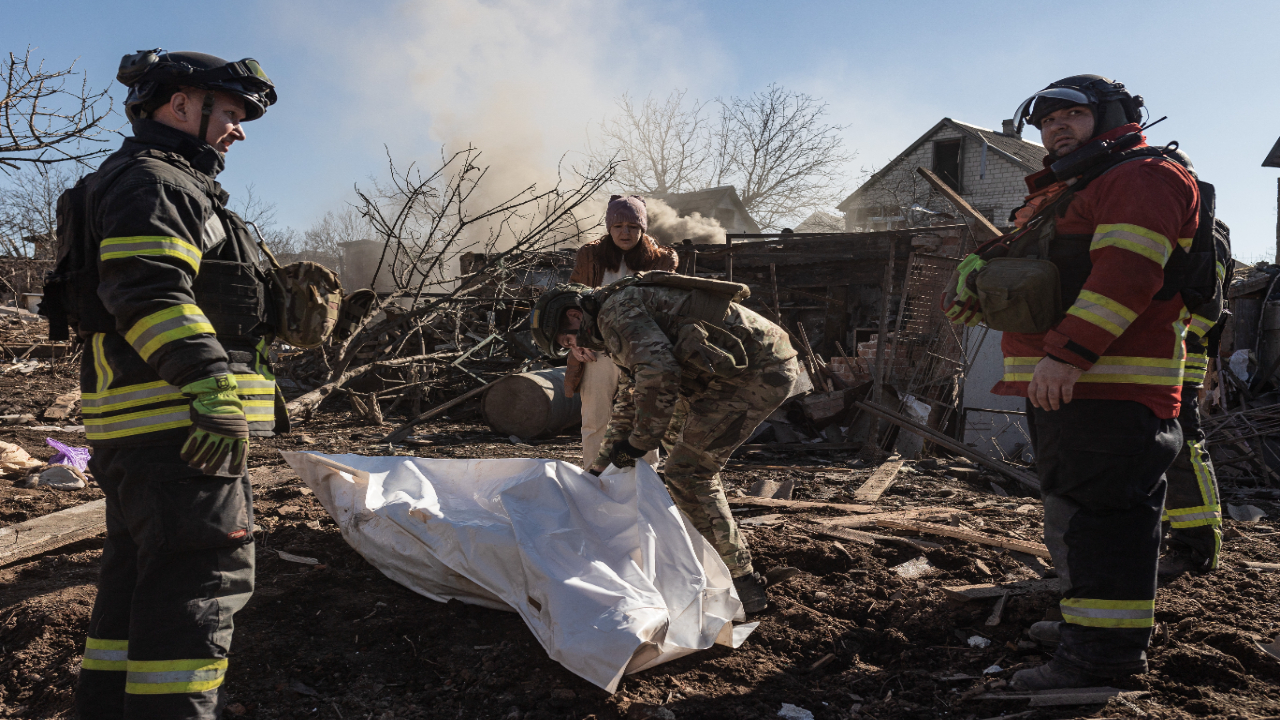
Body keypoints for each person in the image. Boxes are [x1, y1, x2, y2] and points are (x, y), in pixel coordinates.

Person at [948, 75, 1199, 690]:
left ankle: (1100, 662)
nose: (1055, 127)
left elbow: (1128, 273)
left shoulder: (1138, 177)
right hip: (1072, 385)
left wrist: (1070, 354)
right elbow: (1056, 271)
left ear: (1111, 115)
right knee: (1081, 517)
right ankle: (1092, 630)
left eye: (1072, 115)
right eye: (1046, 121)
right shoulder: (1079, 187)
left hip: (1104, 383)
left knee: (1104, 520)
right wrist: (987, 278)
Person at [71, 49, 282, 719]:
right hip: (184, 438)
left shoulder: (151, 182)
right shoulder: (156, 183)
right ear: (180, 104)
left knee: (136, 597)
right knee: (196, 597)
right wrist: (212, 387)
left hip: (151, 437)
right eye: (231, 112)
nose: (239, 128)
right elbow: (151, 291)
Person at [531, 273, 801, 612]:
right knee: (678, 449)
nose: (575, 349)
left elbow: (660, 375)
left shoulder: (615, 314)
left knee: (688, 473)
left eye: (567, 341)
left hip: (758, 371)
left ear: (573, 317)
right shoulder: (612, 314)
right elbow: (633, 395)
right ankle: (705, 556)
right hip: (728, 372)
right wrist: (602, 466)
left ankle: (743, 582)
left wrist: (639, 442)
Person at [566, 195, 678, 469]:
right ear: (609, 227)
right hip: (598, 350)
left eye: (633, 226)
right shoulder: (590, 256)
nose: (625, 232)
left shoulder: (661, 259)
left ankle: (644, 484)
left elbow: (670, 307)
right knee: (595, 419)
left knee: (645, 421)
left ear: (643, 228)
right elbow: (572, 301)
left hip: (643, 353)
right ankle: (594, 483)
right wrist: (575, 342)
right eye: (618, 226)